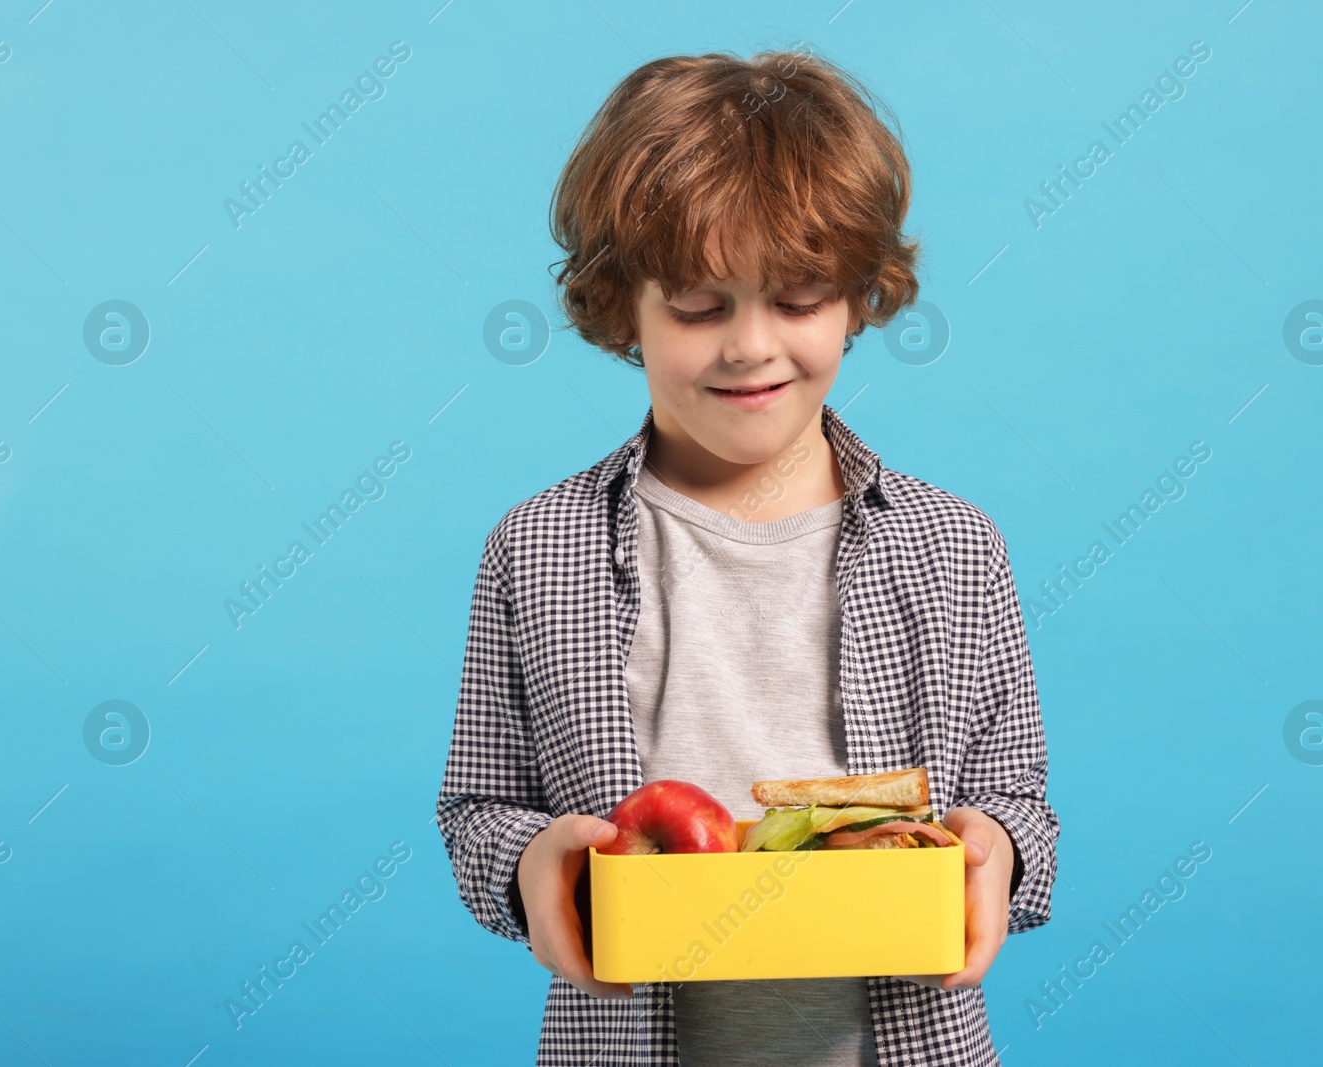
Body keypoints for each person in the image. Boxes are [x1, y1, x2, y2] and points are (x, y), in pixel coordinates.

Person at [436, 46, 1058, 1067]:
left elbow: (1015, 796)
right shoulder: (536, 549)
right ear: (620, 306)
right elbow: (479, 807)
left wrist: (996, 846)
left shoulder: (954, 546)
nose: (749, 346)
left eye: (799, 297)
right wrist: (531, 862)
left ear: (861, 298)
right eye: (697, 302)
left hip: (902, 1041)